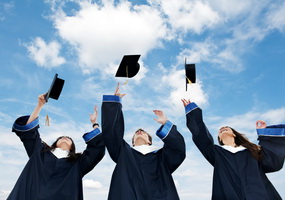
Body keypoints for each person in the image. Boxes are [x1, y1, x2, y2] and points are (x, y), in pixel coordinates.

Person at [182, 99, 285, 200]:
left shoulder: (251, 151)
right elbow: (201, 136)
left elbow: (273, 163)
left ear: (234, 134)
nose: (222, 128)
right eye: (220, 130)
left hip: (259, 194)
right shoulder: (216, 153)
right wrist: (193, 112)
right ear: (219, 139)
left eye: (227, 127)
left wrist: (264, 135)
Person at [7, 94, 105, 200]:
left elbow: (97, 148)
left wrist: (95, 124)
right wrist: (39, 105)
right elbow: (29, 133)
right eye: (61, 137)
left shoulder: (78, 163)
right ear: (55, 143)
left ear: (72, 147)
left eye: (69, 138)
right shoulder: (40, 152)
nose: (65, 138)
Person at [101, 83, 186, 200]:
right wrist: (115, 104)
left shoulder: (161, 157)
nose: (139, 131)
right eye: (136, 133)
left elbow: (178, 148)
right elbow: (111, 132)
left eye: (143, 132)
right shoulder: (123, 153)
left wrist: (165, 122)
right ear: (133, 142)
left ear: (149, 141)